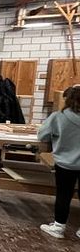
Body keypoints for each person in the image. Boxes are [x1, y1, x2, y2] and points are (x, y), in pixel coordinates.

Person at [38, 86, 80, 239]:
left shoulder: (58, 117)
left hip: (65, 163)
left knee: (64, 194)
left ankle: (59, 227)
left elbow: (43, 136)